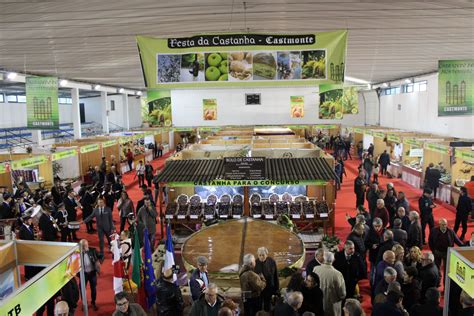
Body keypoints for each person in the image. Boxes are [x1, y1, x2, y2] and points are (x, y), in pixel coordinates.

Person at [313, 251, 346, 316]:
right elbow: (342, 293)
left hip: (318, 303)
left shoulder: (316, 269)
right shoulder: (337, 274)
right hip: (332, 305)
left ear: (324, 259)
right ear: (333, 260)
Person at [254, 247, 279, 312]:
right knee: (258, 305)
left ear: (266, 255)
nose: (261, 257)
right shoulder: (255, 263)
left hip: (269, 288)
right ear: (258, 255)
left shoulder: (272, 262)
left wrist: (276, 288)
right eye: (260, 255)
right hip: (259, 289)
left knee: (267, 305)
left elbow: (275, 275)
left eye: (263, 255)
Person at [80, 239, 100, 311]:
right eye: (84, 246)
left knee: (93, 289)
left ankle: (93, 302)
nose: (86, 247)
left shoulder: (93, 250)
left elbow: (101, 256)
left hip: (92, 273)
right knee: (82, 290)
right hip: (83, 275)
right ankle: (84, 303)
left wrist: (98, 262)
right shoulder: (77, 253)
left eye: (86, 245)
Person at [365, 217, 385, 283]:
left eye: (379, 226)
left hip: (382, 255)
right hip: (373, 255)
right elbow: (366, 242)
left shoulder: (385, 232)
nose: (377, 228)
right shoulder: (370, 232)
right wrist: (371, 245)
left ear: (381, 225)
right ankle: (372, 283)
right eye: (375, 226)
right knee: (372, 271)